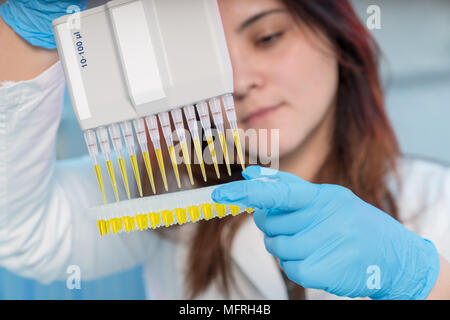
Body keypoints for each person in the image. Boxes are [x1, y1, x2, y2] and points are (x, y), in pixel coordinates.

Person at [0, 0, 449, 300]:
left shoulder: (437, 200)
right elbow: (20, 231)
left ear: (337, 36)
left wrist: (420, 279)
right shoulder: (170, 189)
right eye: (207, 58)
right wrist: (25, 35)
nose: (236, 81)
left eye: (268, 36)